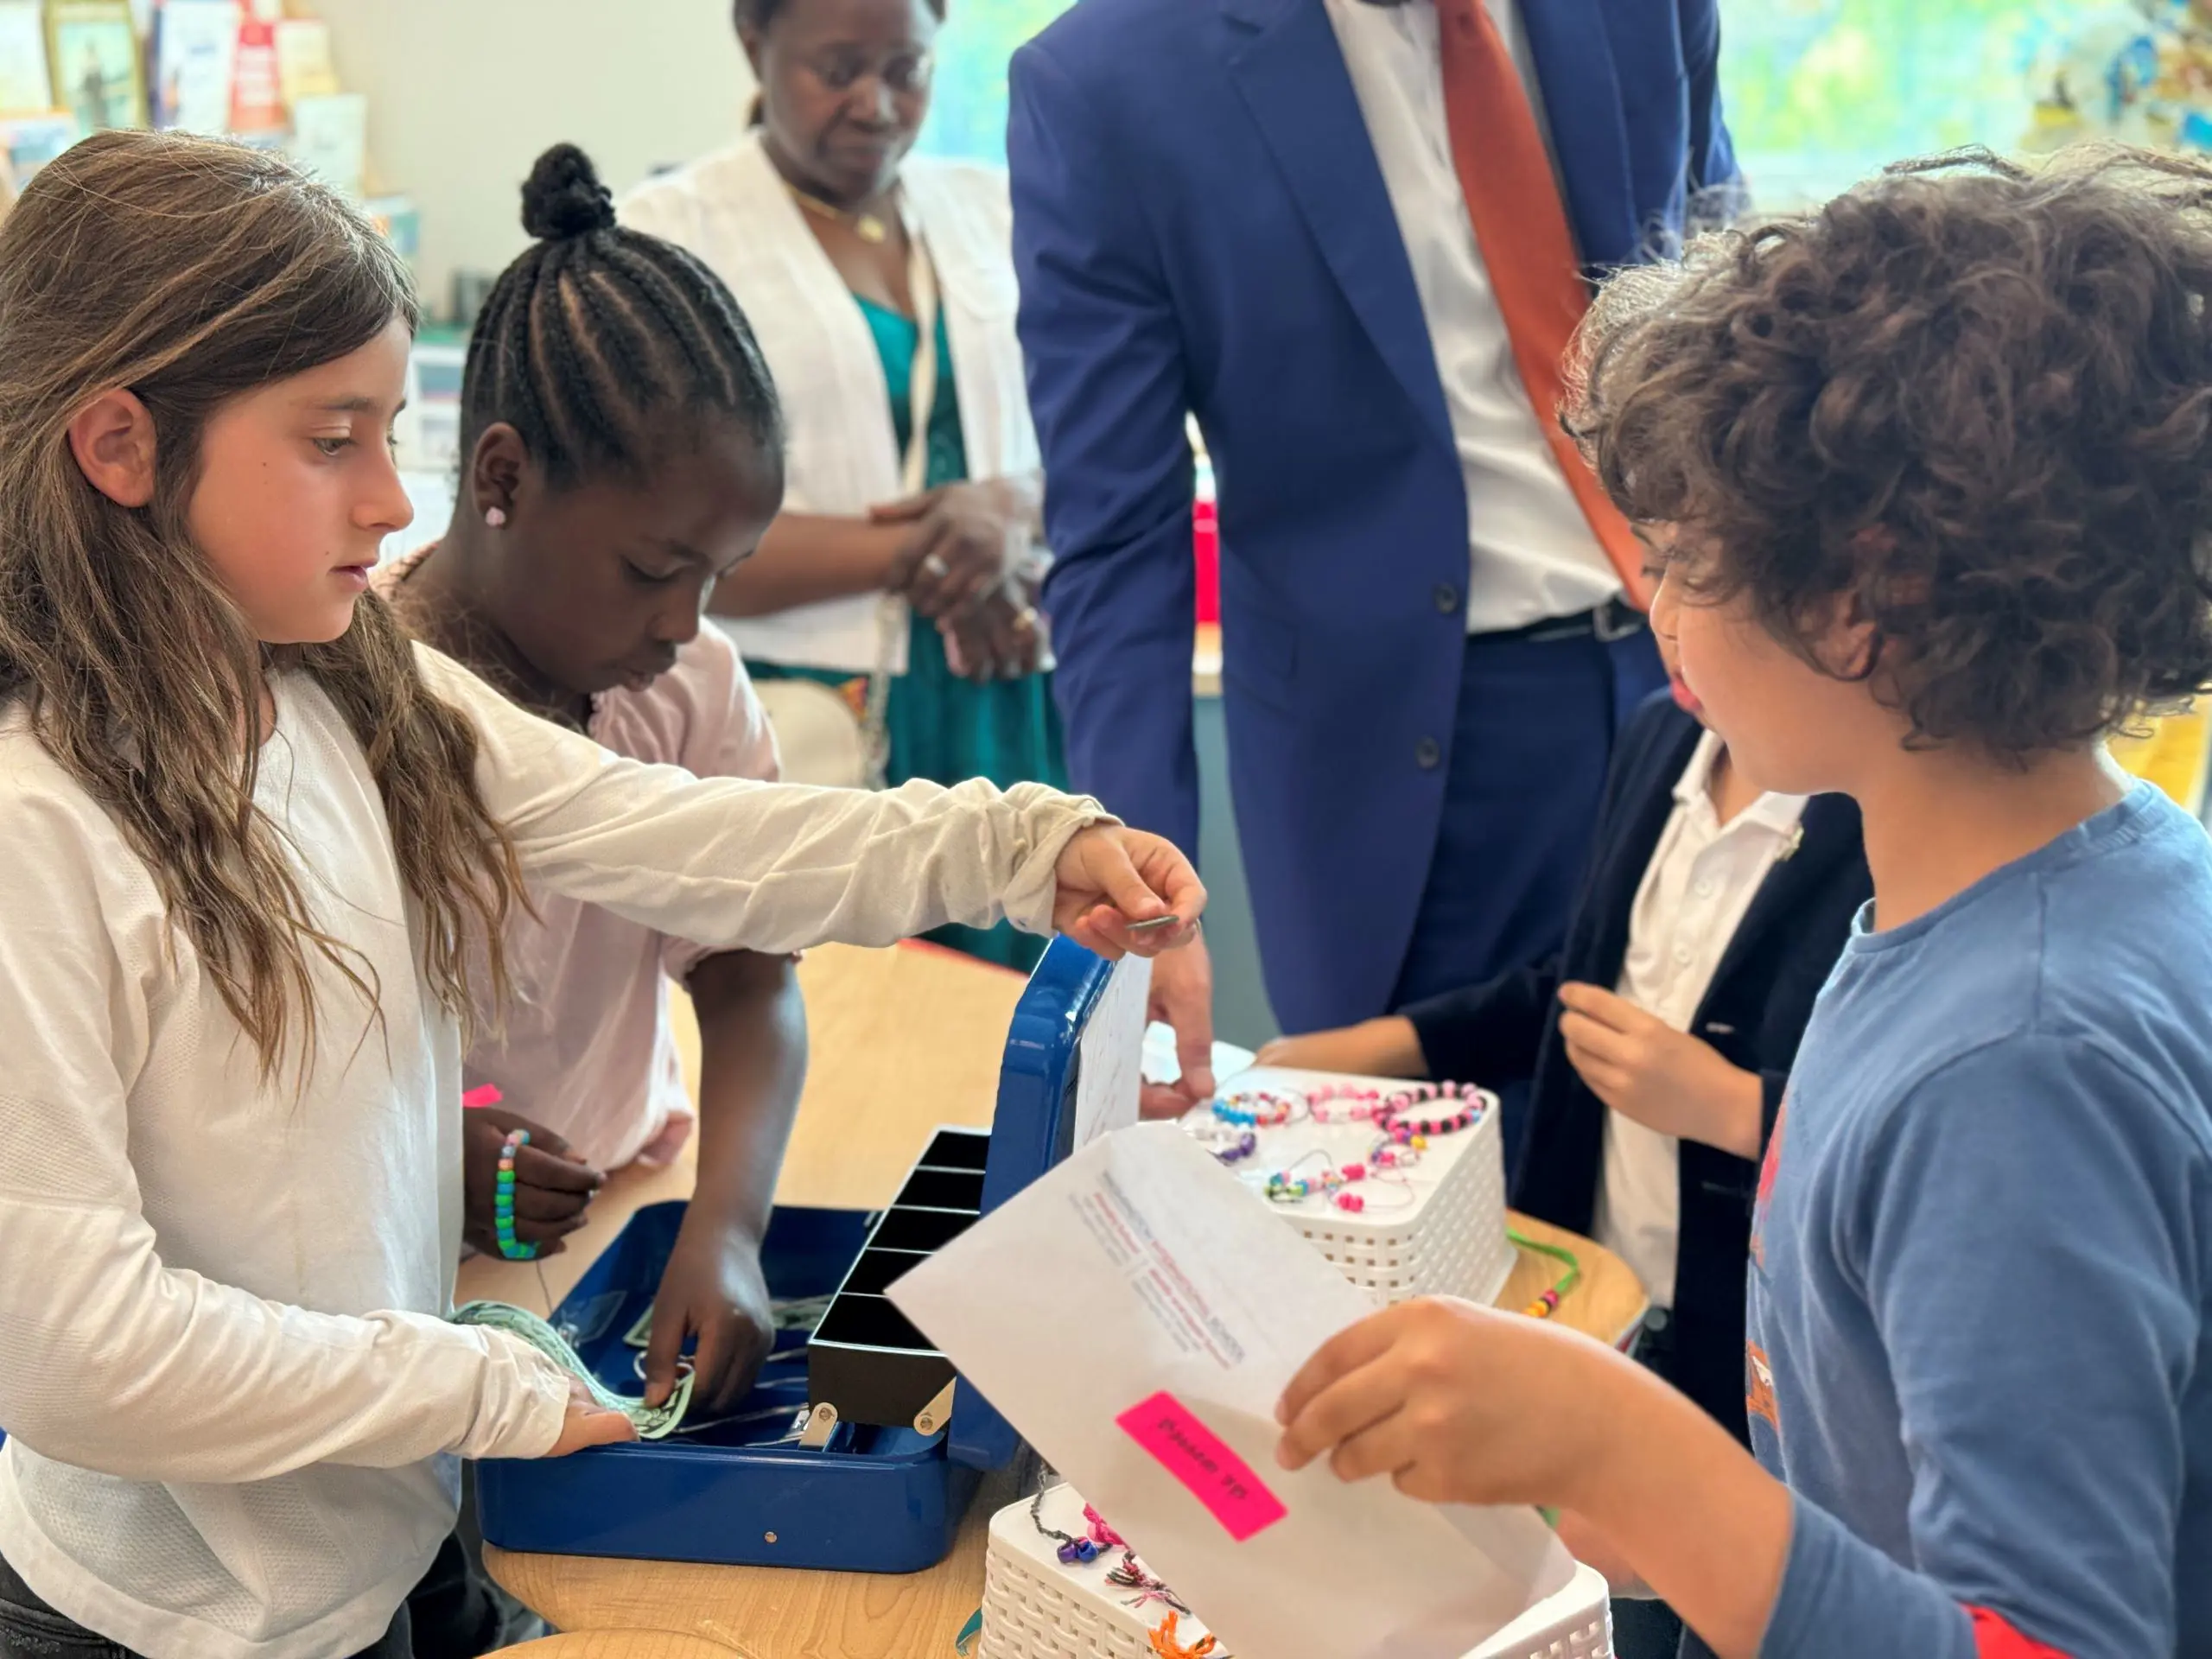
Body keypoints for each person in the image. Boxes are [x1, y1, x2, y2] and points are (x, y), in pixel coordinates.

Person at [0, 130, 1202, 1659]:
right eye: (332, 440)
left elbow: (687, 840)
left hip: (387, 1542)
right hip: (158, 1624)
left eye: (392, 433)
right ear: (121, 449)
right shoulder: (38, 830)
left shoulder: (345, 689)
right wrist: (489, 1385)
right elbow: (75, 1357)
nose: (387, 500)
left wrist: (1021, 845)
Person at [1275, 148, 2212, 1659]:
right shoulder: (2001, 901)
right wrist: (1629, 1521)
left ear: (1864, 601)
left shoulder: (2023, 1065)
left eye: (1687, 556)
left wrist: (1623, 1448)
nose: (1653, 597)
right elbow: (1877, 1471)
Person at [1007, 0, 1738, 1116]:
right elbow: (1119, 537)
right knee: (1435, 1214)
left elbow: (1736, 332)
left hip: (1707, 687)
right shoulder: (1107, 84)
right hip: (1403, 773)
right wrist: (1146, 893)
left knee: (1708, 1171)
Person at [377, 143, 807, 1659]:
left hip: (615, 1223)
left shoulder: (679, 686)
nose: (684, 623)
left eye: (720, 577)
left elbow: (751, 976)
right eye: (652, 569)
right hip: (383, 1285)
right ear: (499, 480)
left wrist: (732, 1230)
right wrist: (428, 1145)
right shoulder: (336, 698)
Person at [1262, 611, 1871, 1657]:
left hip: (1735, 1354)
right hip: (1591, 1294)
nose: (1668, 617)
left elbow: (1883, 1133)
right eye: (1654, 567)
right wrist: (1372, 1044)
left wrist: (1730, 1105)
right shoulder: (1655, 737)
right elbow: (1570, 989)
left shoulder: (1871, 818)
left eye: (1706, 576)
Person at [621, 0, 1065, 972]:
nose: (875, 105)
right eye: (837, 68)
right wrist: (945, 546)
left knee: (1023, 1022)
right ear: (754, 41)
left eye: (905, 69)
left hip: (998, 694)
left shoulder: (992, 208)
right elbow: (650, 540)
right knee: (844, 1032)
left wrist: (1013, 512)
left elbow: (1080, 438)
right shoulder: (667, 234)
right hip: (809, 713)